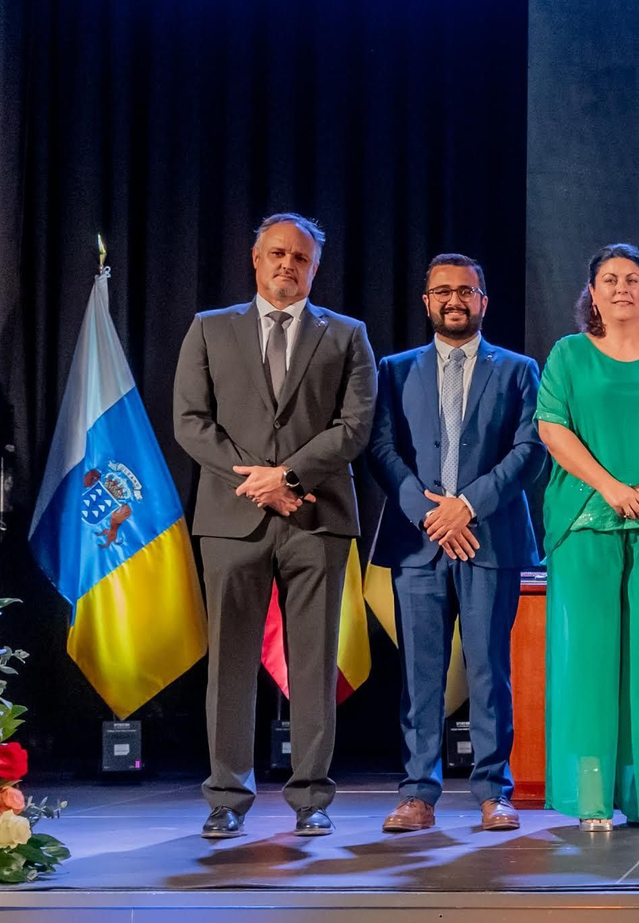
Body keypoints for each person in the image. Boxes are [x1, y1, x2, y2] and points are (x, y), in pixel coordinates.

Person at [172, 213, 376, 839]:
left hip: (316, 517)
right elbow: (190, 420)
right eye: (278, 254)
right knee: (230, 661)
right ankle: (226, 796)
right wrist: (256, 479)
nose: (289, 265)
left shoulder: (346, 335)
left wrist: (286, 477)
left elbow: (355, 426)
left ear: (316, 269)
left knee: (313, 663)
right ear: (255, 259)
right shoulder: (210, 329)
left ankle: (311, 796)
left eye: (302, 259)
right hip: (233, 519)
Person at [366, 253, 542, 835]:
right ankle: (418, 793)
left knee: (490, 670)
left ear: (483, 300)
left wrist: (466, 506)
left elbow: (527, 450)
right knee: (422, 674)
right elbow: (382, 450)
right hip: (418, 543)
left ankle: (494, 792)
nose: (454, 300)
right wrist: (430, 512)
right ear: (427, 301)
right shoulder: (393, 369)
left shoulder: (518, 370)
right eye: (443, 291)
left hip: (489, 537)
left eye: (466, 291)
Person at [535, 244, 639, 831]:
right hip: (586, 521)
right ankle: (590, 798)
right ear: (594, 292)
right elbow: (552, 428)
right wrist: (610, 487)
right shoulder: (569, 354)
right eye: (610, 279)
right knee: (590, 659)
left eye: (633, 278)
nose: (622, 287)